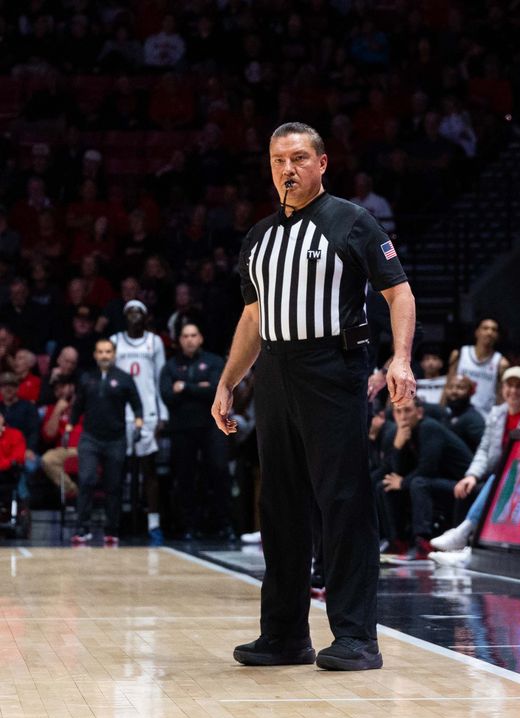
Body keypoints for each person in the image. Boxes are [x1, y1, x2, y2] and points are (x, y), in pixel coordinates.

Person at [212, 122, 417, 672]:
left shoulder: (352, 220)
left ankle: (356, 637)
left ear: (322, 164)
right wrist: (228, 381)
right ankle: (283, 636)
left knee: (343, 501)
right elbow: (253, 317)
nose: (288, 169)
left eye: (299, 158)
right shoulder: (258, 237)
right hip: (275, 372)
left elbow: (399, 292)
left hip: (333, 367)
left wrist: (400, 358)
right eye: (279, 159)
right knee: (278, 506)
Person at [429, 366, 520, 557]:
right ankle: (462, 543)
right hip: (499, 471)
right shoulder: (497, 413)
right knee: (466, 487)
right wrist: (471, 475)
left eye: (519, 386)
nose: (513, 391)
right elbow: (484, 450)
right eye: (509, 385)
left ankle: (464, 532)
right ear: (502, 389)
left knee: (498, 481)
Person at [68, 339, 144, 545]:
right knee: (86, 480)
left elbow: (137, 405)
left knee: (114, 485)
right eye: (100, 351)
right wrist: (69, 426)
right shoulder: (86, 378)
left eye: (108, 352)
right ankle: (82, 528)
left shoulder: (124, 378)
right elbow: (77, 406)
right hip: (90, 438)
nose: (104, 355)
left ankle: (112, 529)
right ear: (94, 354)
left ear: (114, 354)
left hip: (115, 439)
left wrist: (138, 424)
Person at [161, 323, 230, 541]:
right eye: (185, 336)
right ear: (179, 340)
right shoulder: (170, 366)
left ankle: (224, 524)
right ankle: (188, 526)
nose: (189, 339)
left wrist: (185, 387)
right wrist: (199, 387)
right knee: (185, 477)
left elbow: (215, 390)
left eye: (193, 335)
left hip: (212, 426)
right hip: (182, 428)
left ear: (200, 338)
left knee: (219, 472)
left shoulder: (214, 361)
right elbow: (167, 396)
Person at [381, 400, 474, 558]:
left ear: (419, 412)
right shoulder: (404, 433)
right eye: (398, 412)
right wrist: (398, 446)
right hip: (440, 482)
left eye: (407, 410)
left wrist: (402, 483)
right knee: (385, 485)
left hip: (462, 484)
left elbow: (428, 468)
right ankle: (398, 541)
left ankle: (423, 543)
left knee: (418, 483)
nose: (403, 417)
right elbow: (398, 471)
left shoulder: (428, 427)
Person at [111, 299, 169, 543]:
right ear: (125, 316)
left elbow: (160, 379)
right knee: (118, 471)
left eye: (139, 312)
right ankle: (115, 523)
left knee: (149, 472)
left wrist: (162, 413)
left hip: (147, 413)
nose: (134, 316)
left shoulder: (154, 342)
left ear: (145, 317)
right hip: (120, 414)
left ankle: (153, 524)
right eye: (130, 312)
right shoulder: (115, 341)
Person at [445, 318, 509, 415]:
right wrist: (442, 409)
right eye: (485, 328)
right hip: (457, 412)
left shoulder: (501, 362)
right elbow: (448, 384)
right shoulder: (460, 354)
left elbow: (501, 395)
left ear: (497, 336)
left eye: (494, 330)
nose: (489, 332)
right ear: (477, 332)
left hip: (485, 416)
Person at [443, 374, 485, 451]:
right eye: (450, 387)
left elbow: (484, 448)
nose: (454, 391)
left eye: (460, 388)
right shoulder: (447, 414)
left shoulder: (474, 419)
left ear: (470, 392)